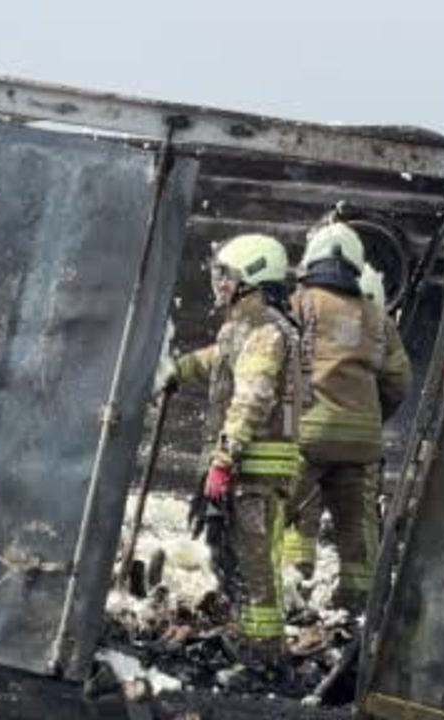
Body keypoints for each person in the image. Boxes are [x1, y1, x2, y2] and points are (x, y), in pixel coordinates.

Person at [162, 233, 302, 671]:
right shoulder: (241, 327)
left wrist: (224, 461)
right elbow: (215, 359)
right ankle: (248, 637)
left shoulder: (266, 332)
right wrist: (176, 371)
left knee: (255, 567)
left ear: (253, 280)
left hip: (254, 472)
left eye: (229, 276)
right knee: (231, 558)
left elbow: (252, 399)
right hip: (243, 469)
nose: (219, 284)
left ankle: (265, 657)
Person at [281, 223, 411, 613]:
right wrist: (369, 417)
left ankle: (291, 591)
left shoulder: (299, 304)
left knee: (288, 517)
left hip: (306, 434)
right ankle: (358, 608)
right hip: (360, 443)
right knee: (358, 531)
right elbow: (398, 381)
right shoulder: (378, 317)